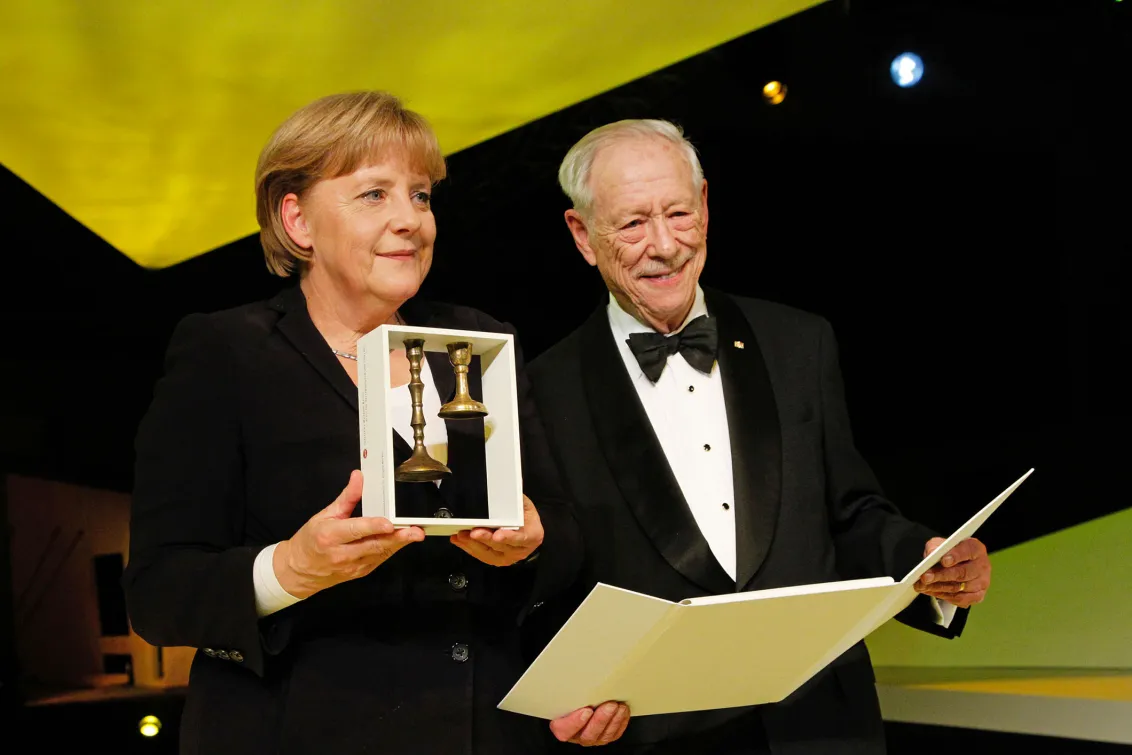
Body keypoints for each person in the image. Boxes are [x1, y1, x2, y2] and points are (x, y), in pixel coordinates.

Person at [122, 91, 604, 754]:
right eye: (374, 194)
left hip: (482, 732)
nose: (410, 219)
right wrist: (291, 567)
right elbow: (157, 590)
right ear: (298, 220)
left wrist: (536, 539)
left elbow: (567, 534)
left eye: (422, 194)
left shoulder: (478, 339)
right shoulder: (225, 352)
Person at [525, 119, 993, 754]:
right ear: (582, 235)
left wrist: (929, 559)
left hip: (824, 726)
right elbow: (544, 587)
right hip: (657, 737)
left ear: (707, 206)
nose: (663, 245)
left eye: (678, 213)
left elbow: (851, 515)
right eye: (632, 223)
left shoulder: (800, 342)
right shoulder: (540, 391)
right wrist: (566, 699)